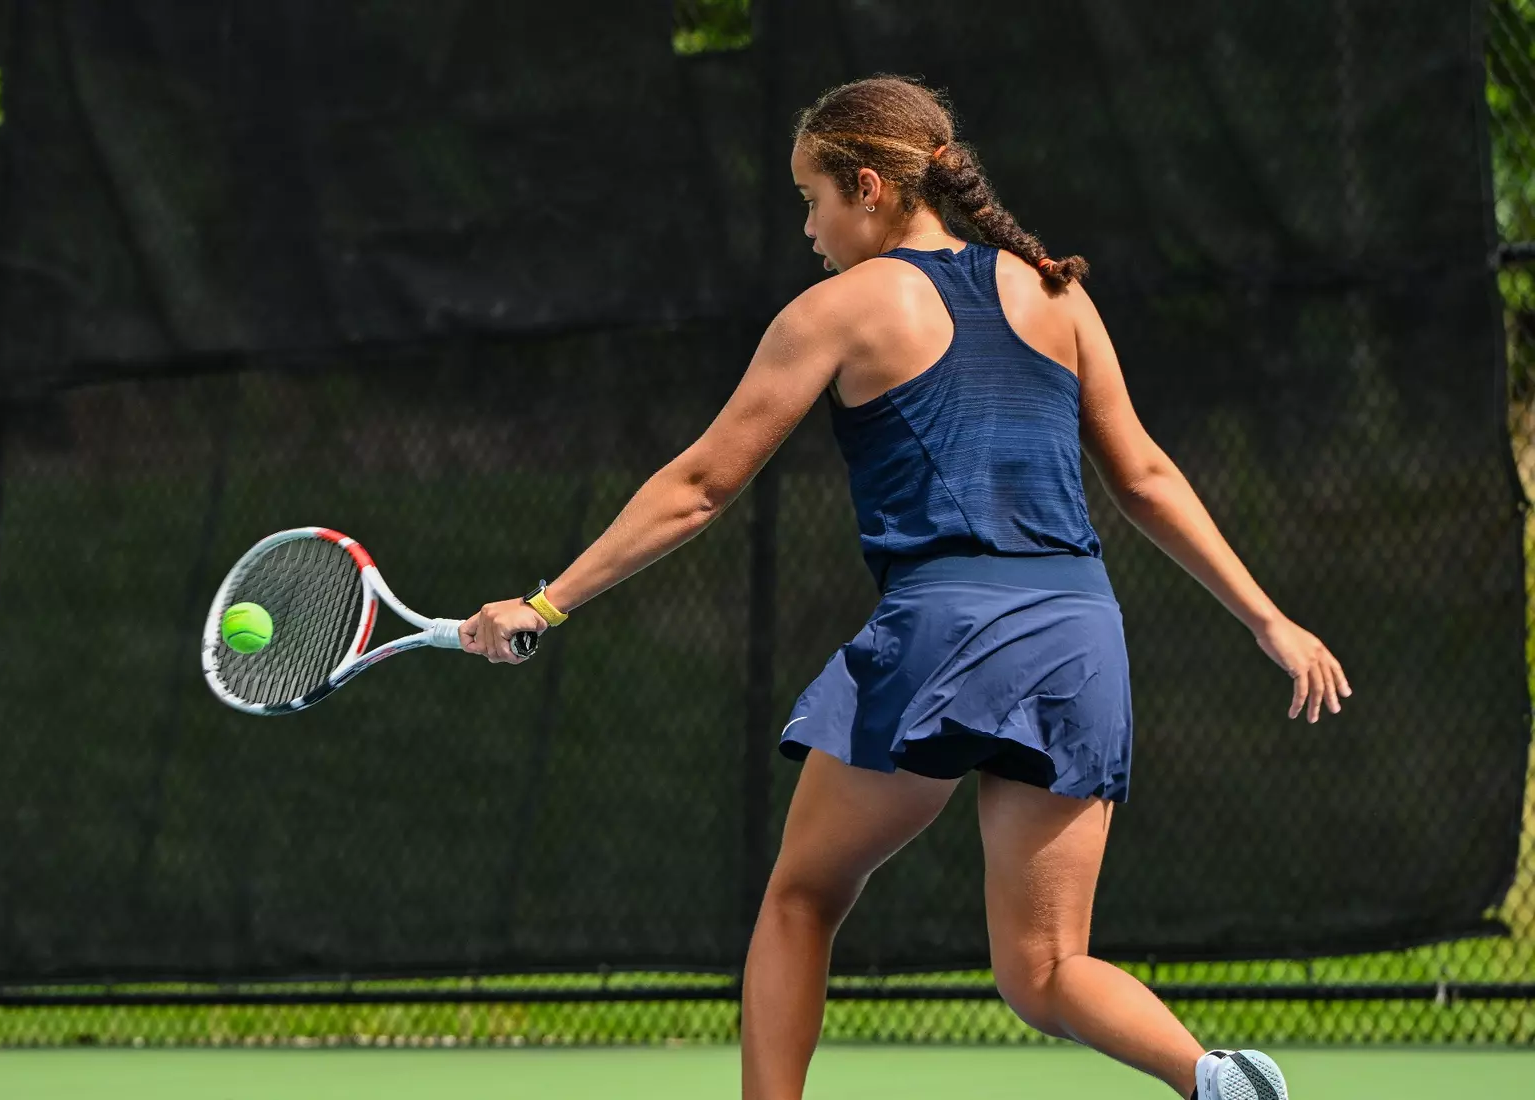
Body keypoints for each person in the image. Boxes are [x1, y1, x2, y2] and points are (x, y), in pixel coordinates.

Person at [460, 74, 1349, 1100]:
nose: (808, 228)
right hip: (1079, 632)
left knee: (801, 897)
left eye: (812, 199)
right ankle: (1213, 1077)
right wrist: (1269, 619)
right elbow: (1145, 477)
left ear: (870, 187)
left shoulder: (838, 309)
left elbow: (700, 487)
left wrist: (546, 601)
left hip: (947, 630)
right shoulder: (1056, 293)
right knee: (1046, 970)